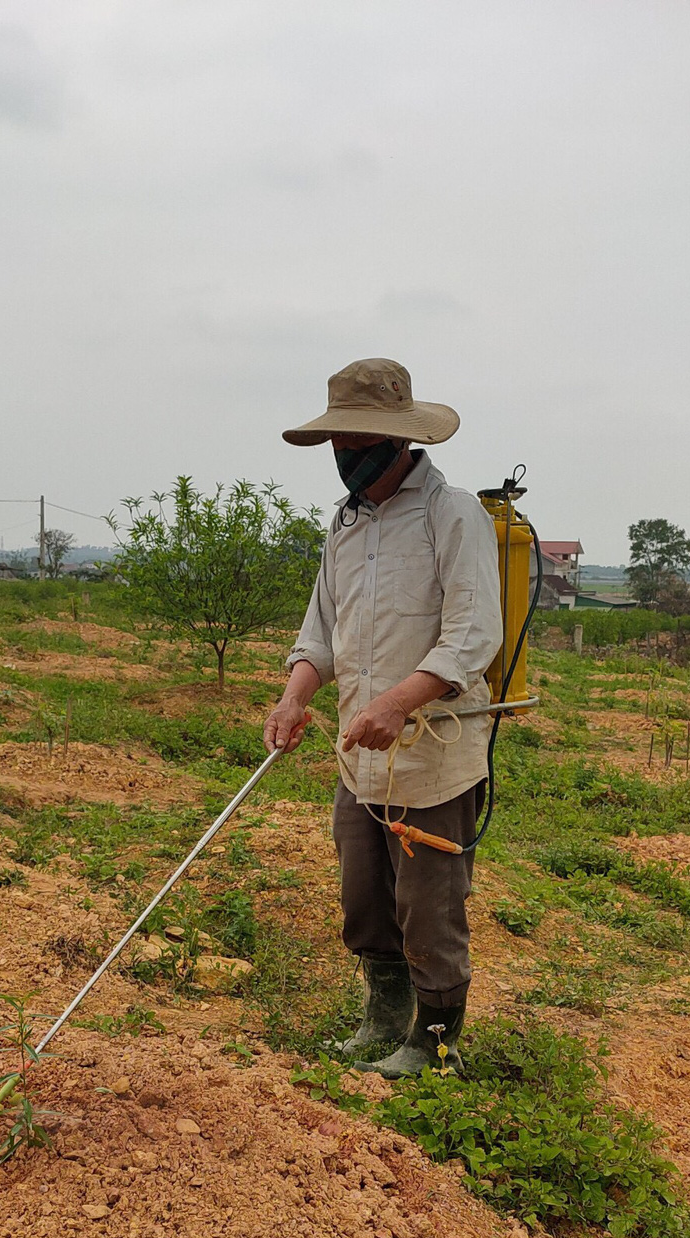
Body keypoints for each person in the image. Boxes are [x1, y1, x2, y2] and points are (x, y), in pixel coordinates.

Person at [262, 358, 503, 1077]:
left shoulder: (450, 513)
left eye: (358, 442)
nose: (345, 457)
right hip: (358, 753)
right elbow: (321, 633)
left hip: (434, 753)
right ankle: (383, 1018)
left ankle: (434, 1041)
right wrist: (294, 695)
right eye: (338, 442)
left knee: (429, 903)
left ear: (398, 441)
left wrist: (399, 702)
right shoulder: (344, 523)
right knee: (364, 895)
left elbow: (472, 634)